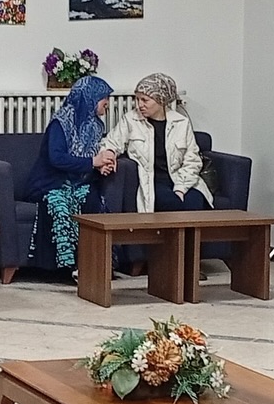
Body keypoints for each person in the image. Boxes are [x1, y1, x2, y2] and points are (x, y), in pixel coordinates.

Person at [26, 75, 115, 277]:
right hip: (50, 183)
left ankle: (96, 262)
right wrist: (93, 163)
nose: (107, 103)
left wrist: (100, 166)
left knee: (93, 201)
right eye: (104, 98)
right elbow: (57, 158)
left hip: (80, 182)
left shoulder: (95, 125)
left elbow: (91, 155)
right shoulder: (61, 123)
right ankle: (69, 266)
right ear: (90, 98)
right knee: (60, 204)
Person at [99, 73, 212, 213]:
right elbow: (111, 142)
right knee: (171, 202)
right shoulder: (130, 120)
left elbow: (192, 160)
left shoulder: (181, 123)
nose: (140, 105)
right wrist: (109, 154)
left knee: (196, 200)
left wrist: (181, 188)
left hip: (181, 179)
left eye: (145, 100)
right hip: (151, 182)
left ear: (161, 100)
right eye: (137, 99)